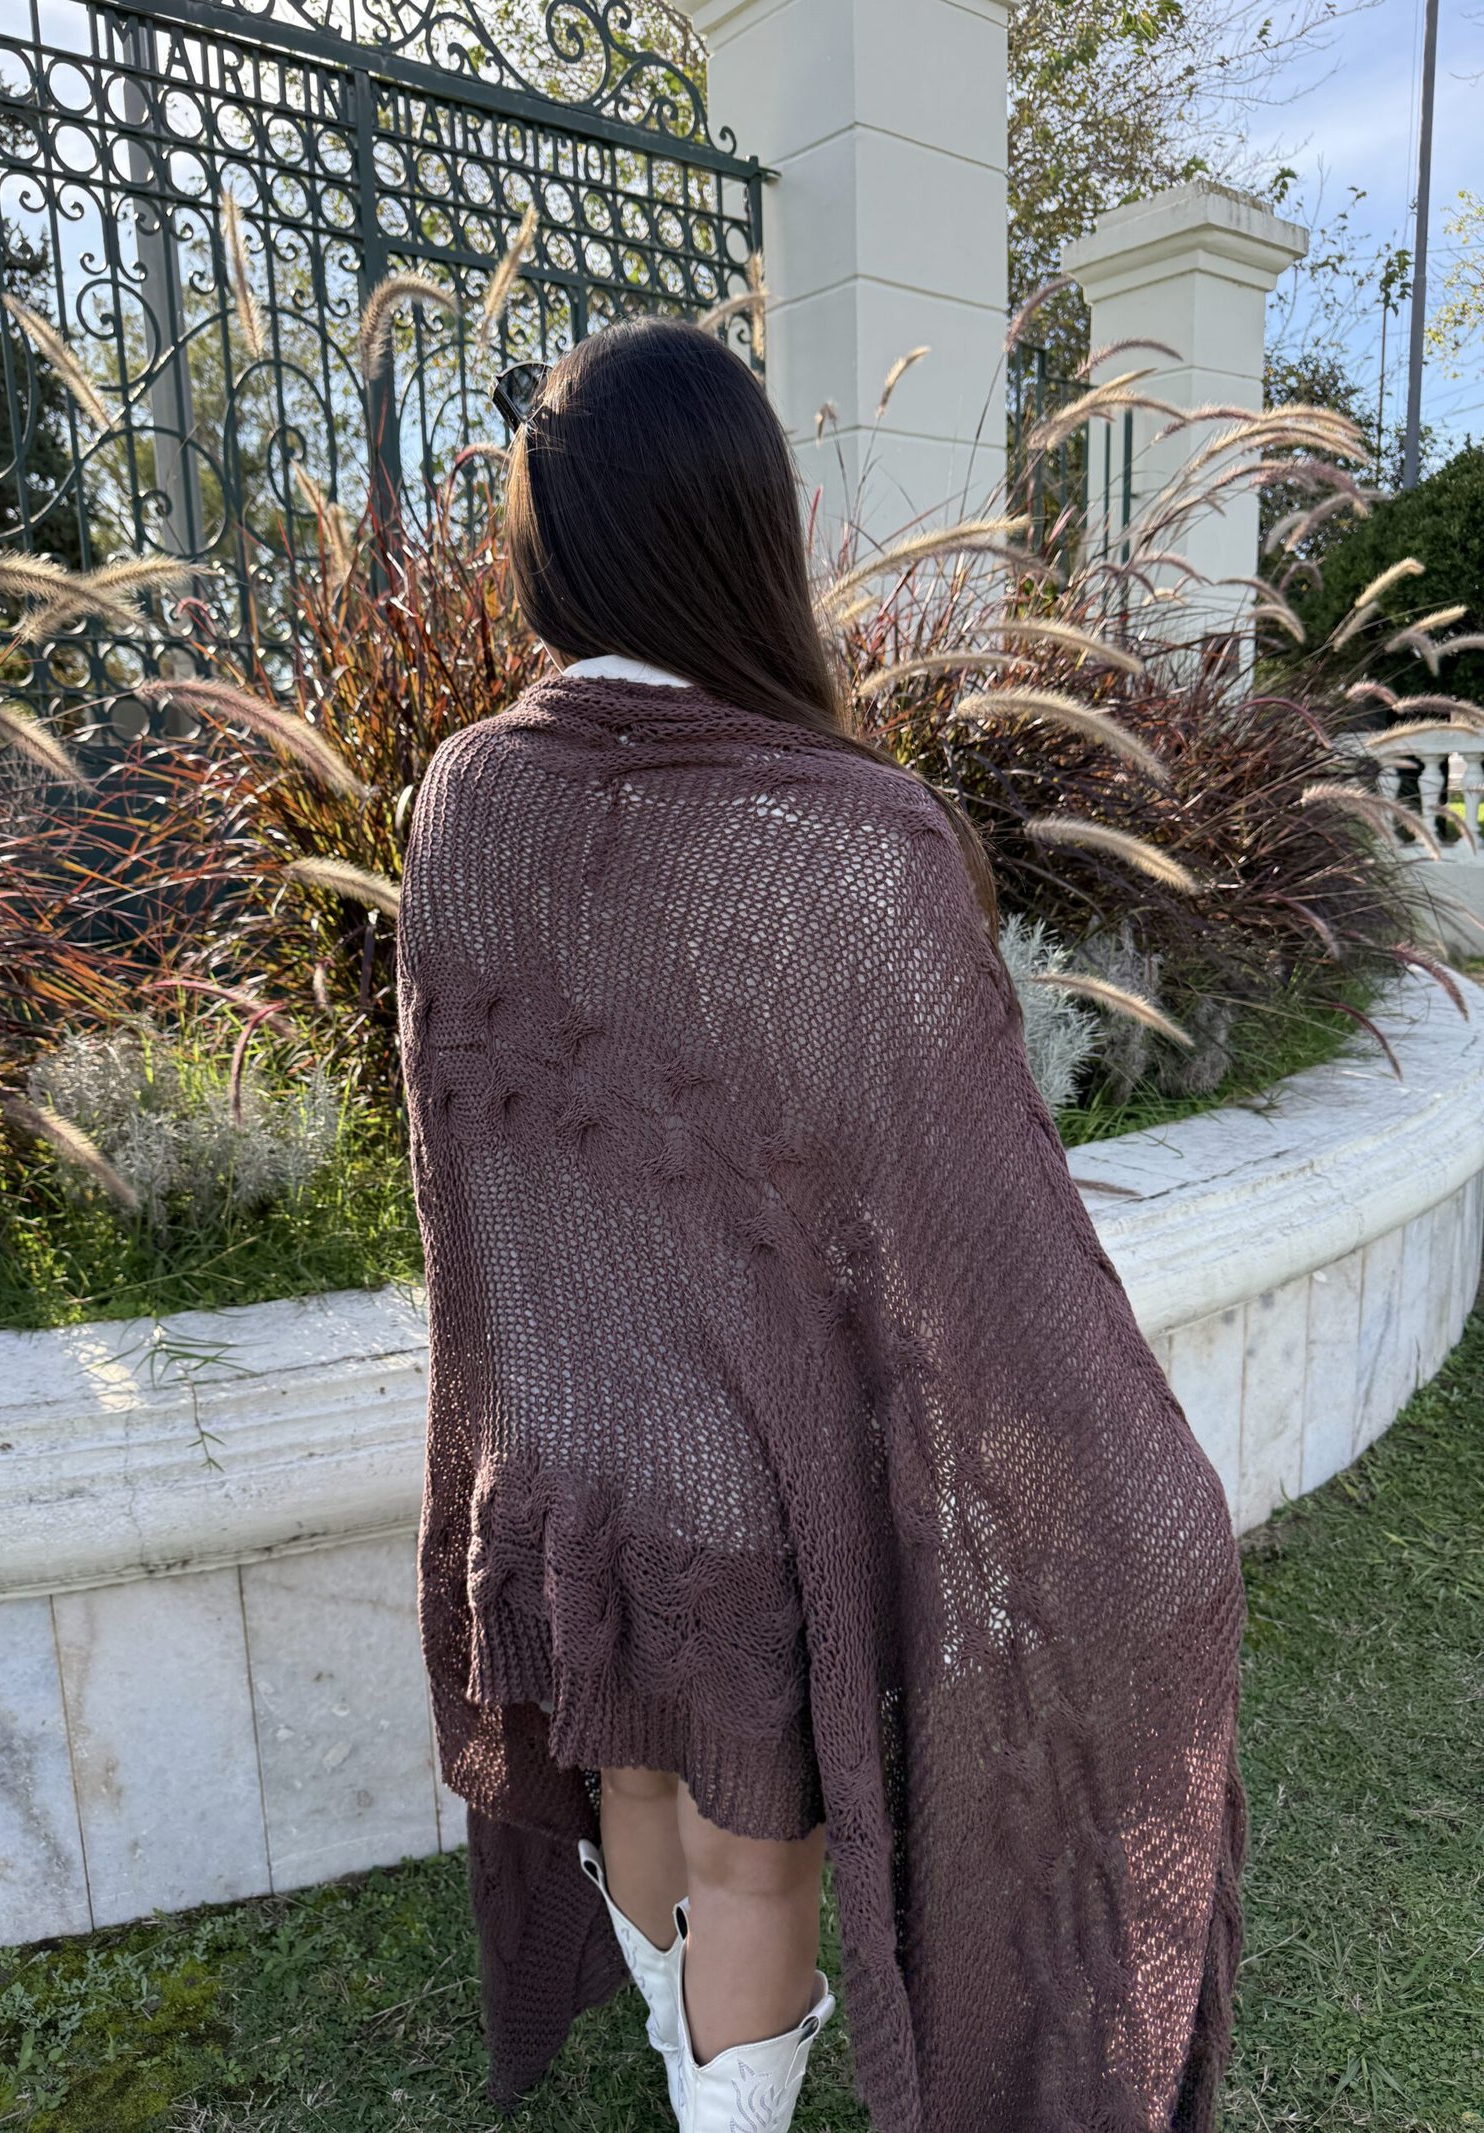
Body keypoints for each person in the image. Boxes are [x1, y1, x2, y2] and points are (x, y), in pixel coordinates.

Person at [396, 316, 1246, 2133]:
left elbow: (473, 1169)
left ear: (558, 542)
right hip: (739, 1494)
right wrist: (1145, 1509)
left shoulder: (464, 797)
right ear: (746, 532)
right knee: (753, 1859)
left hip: (560, 1450)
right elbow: (970, 1223)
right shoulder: (849, 836)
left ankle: (680, 2064)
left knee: (634, 1771)